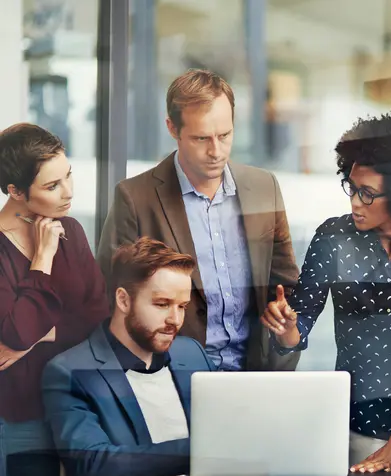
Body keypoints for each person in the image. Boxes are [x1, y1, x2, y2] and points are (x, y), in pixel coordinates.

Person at [43, 237, 291, 476]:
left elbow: (241, 437)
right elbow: (92, 465)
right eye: (162, 304)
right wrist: (200, 452)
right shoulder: (70, 370)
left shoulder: (192, 353)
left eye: (182, 306)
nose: (175, 319)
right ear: (123, 300)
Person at [261, 113, 391, 476]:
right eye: (351, 187)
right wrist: (287, 328)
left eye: (367, 193)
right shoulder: (333, 239)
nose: (355, 202)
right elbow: (300, 320)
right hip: (353, 425)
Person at [96, 68, 299, 373]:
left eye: (225, 135)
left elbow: (286, 287)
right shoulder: (135, 198)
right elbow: (110, 300)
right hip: (170, 380)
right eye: (201, 138)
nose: (216, 151)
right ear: (172, 129)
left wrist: (285, 326)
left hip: (255, 377)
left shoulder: (263, 188)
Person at [0, 123, 109, 476]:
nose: (68, 192)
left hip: (79, 415)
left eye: (68, 176)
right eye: (52, 186)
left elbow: (97, 319)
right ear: (15, 191)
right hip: (19, 419)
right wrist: (42, 258)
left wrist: (33, 338)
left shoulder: (74, 232)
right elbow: (13, 331)